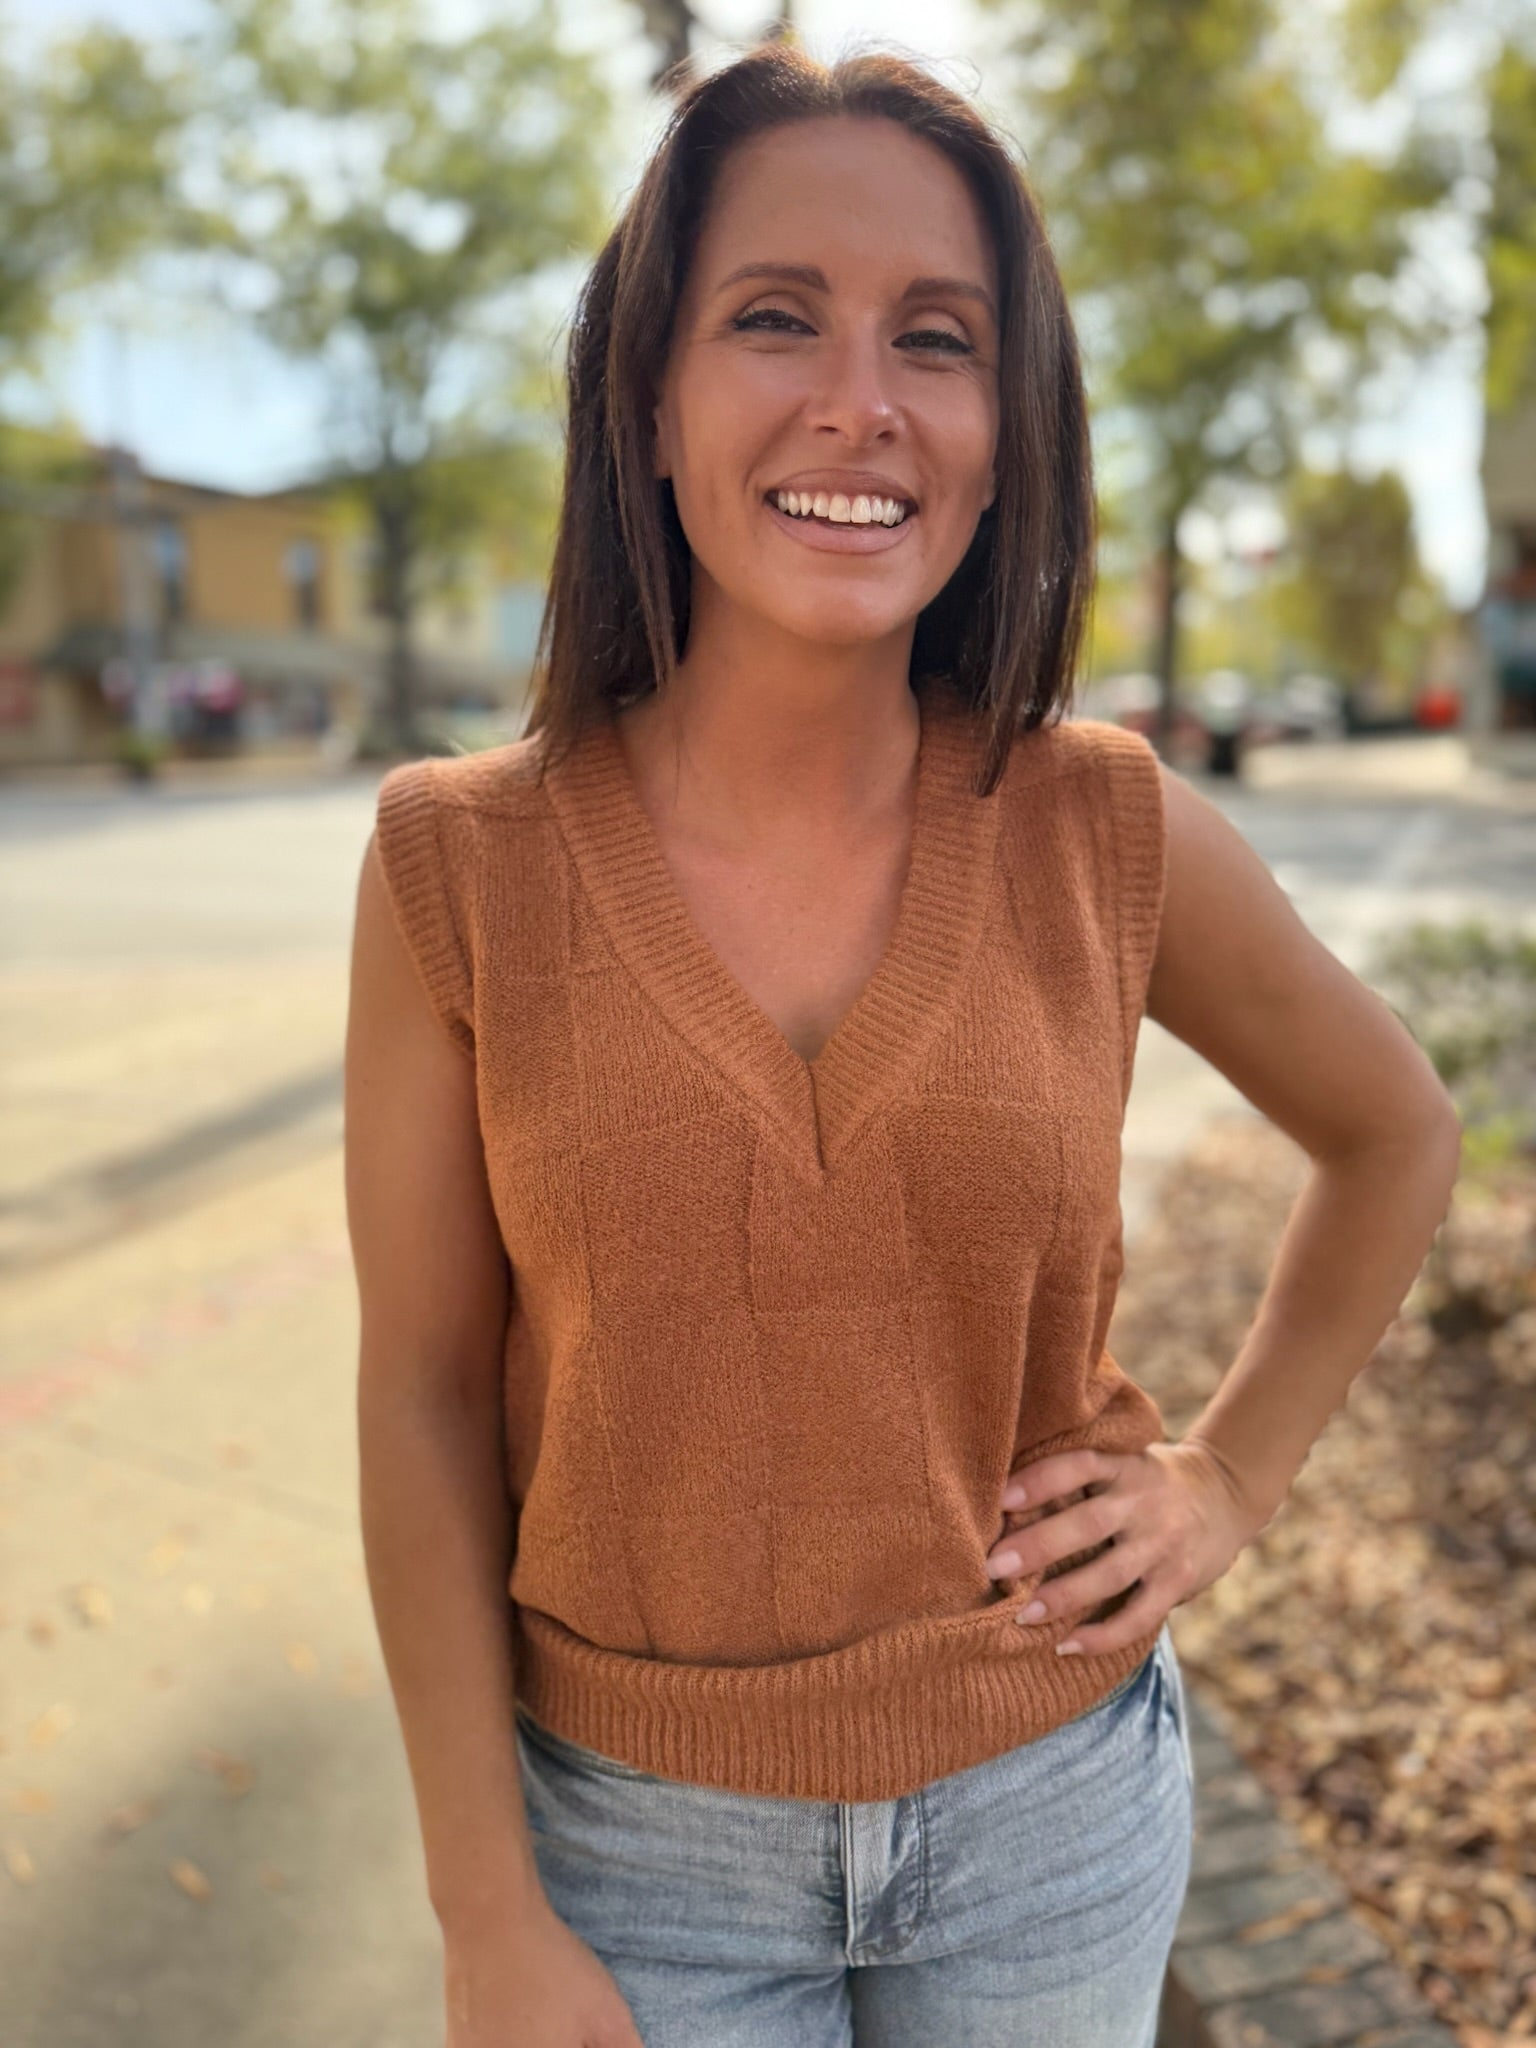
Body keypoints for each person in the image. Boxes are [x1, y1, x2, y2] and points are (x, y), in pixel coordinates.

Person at [342, 42, 1462, 2048]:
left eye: (936, 340)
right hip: (631, 1862)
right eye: (776, 316)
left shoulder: (1103, 824)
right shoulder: (459, 865)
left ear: (1007, 435)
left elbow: (1396, 1131)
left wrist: (1224, 1480)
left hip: (1053, 1821)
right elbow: (422, 1396)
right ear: (650, 397)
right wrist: (479, 1910)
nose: (861, 399)